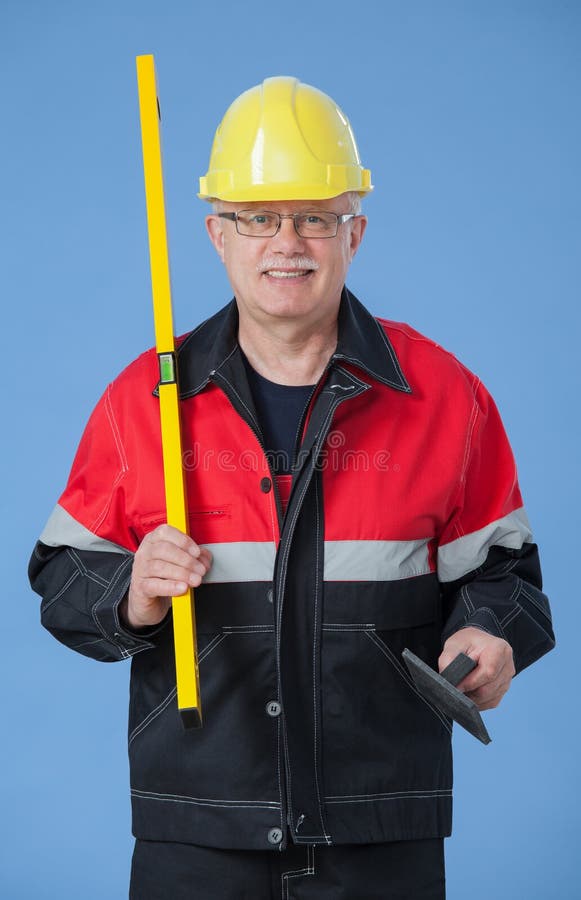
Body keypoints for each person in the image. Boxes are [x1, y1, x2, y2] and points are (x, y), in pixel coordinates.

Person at [29, 76, 555, 899]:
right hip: (199, 831)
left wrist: (492, 635)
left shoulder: (443, 394)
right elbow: (61, 579)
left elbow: (506, 577)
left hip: (381, 825)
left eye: (317, 217)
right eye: (257, 218)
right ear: (216, 233)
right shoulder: (146, 399)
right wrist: (130, 592)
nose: (288, 242)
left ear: (356, 233)